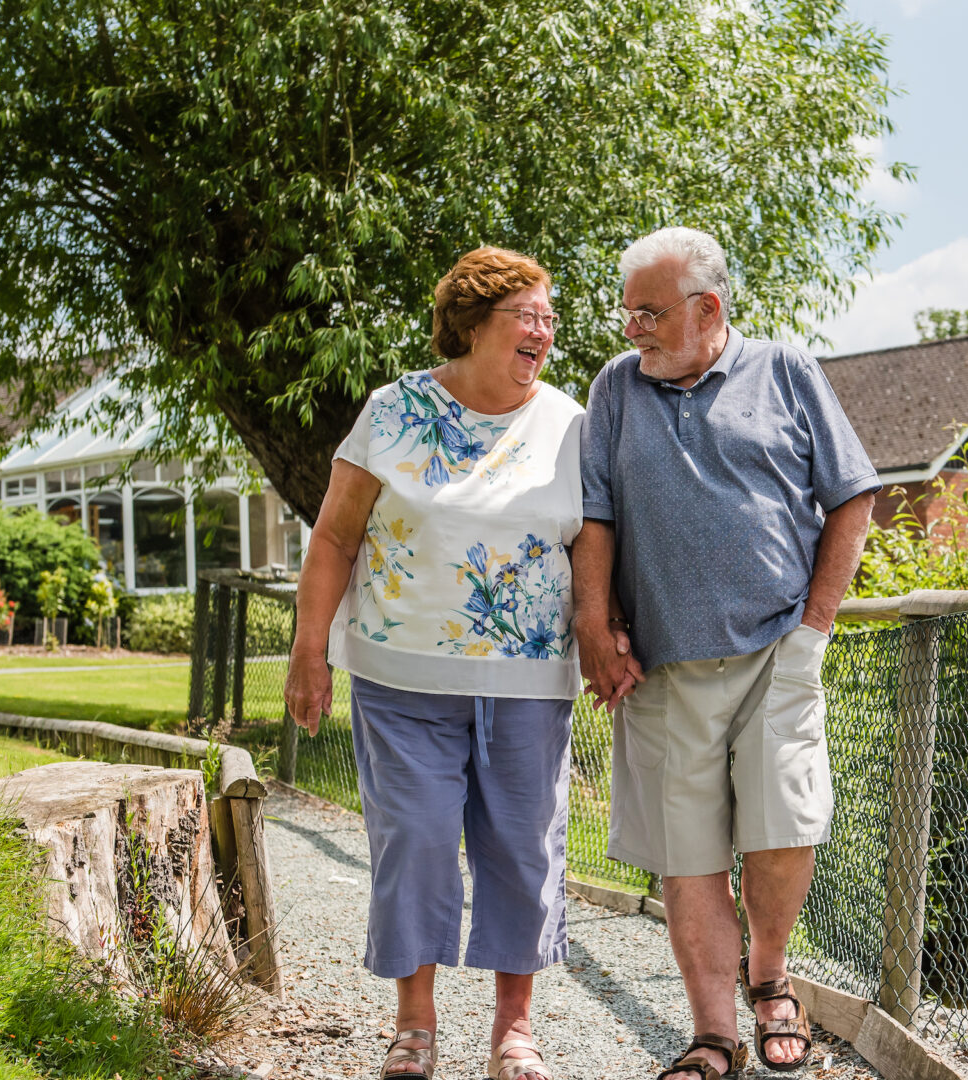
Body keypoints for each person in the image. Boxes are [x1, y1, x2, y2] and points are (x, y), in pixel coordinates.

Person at [575, 227, 879, 1080]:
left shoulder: (786, 371)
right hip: (664, 665)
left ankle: (772, 978)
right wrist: (594, 627)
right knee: (690, 855)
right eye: (627, 310)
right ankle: (714, 1037)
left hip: (776, 648)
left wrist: (814, 629)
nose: (632, 327)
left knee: (785, 822)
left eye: (650, 311)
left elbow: (853, 498)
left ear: (708, 308)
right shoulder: (615, 390)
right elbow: (595, 516)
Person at [284, 247, 583, 1080]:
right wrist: (311, 652)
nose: (545, 330)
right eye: (528, 315)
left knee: (523, 847)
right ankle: (414, 1022)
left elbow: (593, 538)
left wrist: (601, 627)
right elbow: (336, 536)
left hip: (527, 682)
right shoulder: (394, 410)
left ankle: (513, 1030)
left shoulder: (570, 422)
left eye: (550, 317)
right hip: (402, 676)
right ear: (474, 322)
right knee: (412, 839)